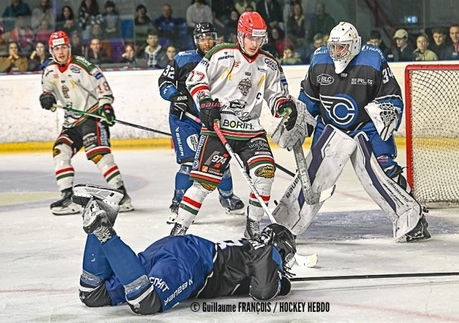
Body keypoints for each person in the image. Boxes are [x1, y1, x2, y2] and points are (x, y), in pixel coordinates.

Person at [293, 22, 430, 242]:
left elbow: (392, 96)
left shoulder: (373, 60)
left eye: (342, 47)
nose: (336, 53)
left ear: (355, 46)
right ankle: (289, 223)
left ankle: (413, 219)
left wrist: (387, 111)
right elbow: (308, 101)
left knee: (385, 170)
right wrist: (299, 124)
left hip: (367, 127)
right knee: (312, 176)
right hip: (330, 128)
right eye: (334, 47)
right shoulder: (319, 62)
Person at [74, 184, 294, 314]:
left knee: (93, 294)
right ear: (280, 246)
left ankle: (105, 209)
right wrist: (282, 282)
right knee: (145, 301)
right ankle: (103, 232)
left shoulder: (254, 249)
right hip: (193, 261)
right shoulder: (266, 250)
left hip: (175, 249)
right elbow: (264, 291)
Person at [171, 12, 298, 238]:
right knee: (203, 184)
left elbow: (276, 95)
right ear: (240, 35)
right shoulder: (221, 54)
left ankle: (253, 229)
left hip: (251, 131)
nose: (255, 43)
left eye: (260, 38)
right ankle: (178, 231)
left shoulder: (268, 63)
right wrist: (205, 101)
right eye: (251, 38)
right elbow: (195, 79)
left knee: (265, 172)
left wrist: (284, 107)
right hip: (219, 129)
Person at [38, 30, 133, 215]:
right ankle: (67, 197)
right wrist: (46, 98)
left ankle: (122, 196)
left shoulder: (83, 66)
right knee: (60, 152)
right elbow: (47, 91)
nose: (61, 52)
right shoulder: (49, 71)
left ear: (69, 48)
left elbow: (103, 87)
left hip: (91, 116)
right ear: (51, 50)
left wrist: (106, 107)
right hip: (71, 122)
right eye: (57, 48)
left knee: (99, 155)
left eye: (64, 47)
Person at [158, 22, 245, 223]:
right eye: (202, 38)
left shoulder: (224, 59)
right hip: (185, 120)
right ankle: (178, 202)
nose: (206, 42)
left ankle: (227, 197)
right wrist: (174, 96)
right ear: (195, 40)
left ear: (216, 37)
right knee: (189, 164)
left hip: (212, 119)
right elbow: (164, 82)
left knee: (220, 162)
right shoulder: (183, 59)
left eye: (209, 37)